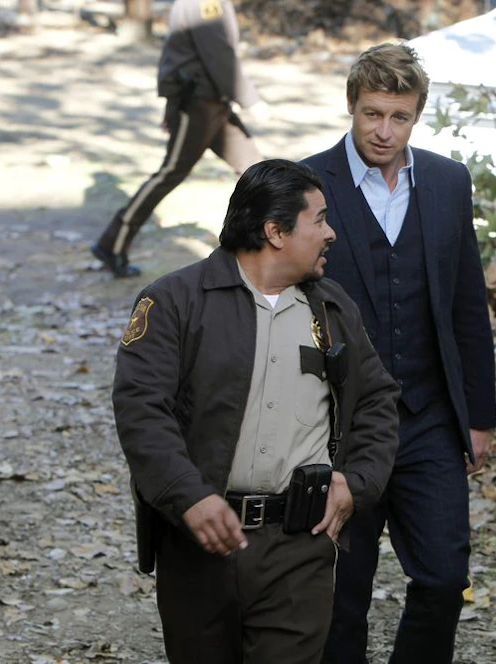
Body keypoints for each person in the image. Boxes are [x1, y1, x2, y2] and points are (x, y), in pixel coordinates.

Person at [112, 159, 400, 663]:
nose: (330, 233)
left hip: (300, 544)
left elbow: (378, 400)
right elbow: (141, 410)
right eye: (319, 219)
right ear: (275, 232)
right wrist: (189, 497)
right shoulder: (174, 301)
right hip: (198, 543)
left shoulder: (332, 310)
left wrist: (356, 483)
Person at [302, 43, 496, 663]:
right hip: (336, 426)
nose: (384, 131)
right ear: (351, 106)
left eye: (399, 117)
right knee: (342, 594)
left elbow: (467, 302)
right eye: (372, 114)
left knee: (443, 578)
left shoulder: (447, 181)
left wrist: (479, 416)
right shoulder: (307, 183)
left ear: (417, 116)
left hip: (429, 418)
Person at [91, 0, 269, 278]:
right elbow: (216, 52)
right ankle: (111, 244)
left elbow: (183, 48)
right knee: (170, 173)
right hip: (198, 104)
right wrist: (248, 98)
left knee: (256, 172)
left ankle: (259, 250)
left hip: (214, 102)